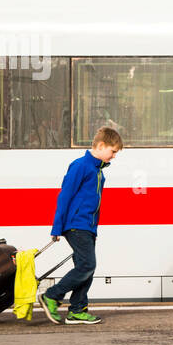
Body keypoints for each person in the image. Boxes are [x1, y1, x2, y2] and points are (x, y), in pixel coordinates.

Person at [38, 126, 123, 324]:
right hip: (76, 225)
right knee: (87, 265)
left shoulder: (98, 170)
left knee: (85, 267)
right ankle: (51, 295)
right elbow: (64, 196)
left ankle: (77, 310)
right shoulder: (80, 166)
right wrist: (57, 227)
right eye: (113, 151)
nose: (114, 156)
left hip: (88, 226)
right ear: (101, 146)